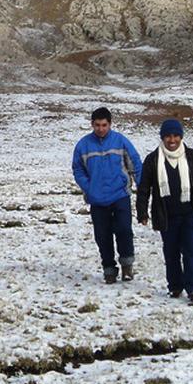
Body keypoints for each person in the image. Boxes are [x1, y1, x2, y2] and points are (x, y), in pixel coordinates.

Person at [136, 119, 193, 304]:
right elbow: (144, 188)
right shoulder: (153, 159)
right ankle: (175, 286)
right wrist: (142, 212)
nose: (172, 140)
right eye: (168, 136)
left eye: (175, 136)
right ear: (162, 137)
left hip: (190, 213)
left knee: (191, 251)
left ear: (181, 137)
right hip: (166, 215)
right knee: (171, 253)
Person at [72, 106, 143, 284]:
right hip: (97, 199)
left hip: (120, 195)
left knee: (124, 231)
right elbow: (78, 169)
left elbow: (135, 163)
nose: (101, 129)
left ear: (110, 124)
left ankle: (127, 265)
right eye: (97, 125)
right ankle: (109, 269)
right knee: (102, 236)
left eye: (104, 125)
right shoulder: (83, 145)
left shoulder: (120, 141)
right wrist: (89, 188)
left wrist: (142, 187)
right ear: (92, 124)